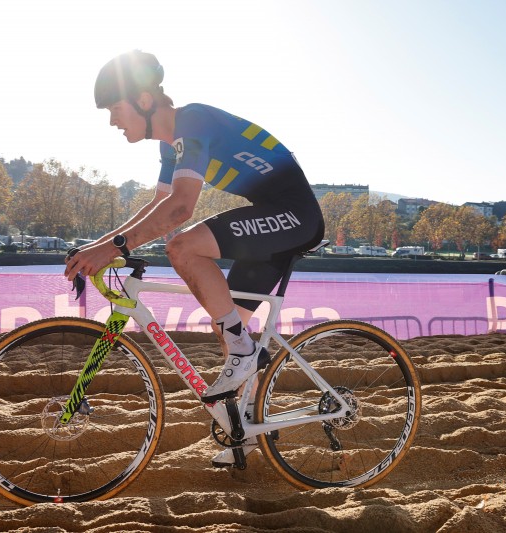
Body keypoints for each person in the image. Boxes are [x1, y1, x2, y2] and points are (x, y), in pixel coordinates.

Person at [64, 50, 324, 466]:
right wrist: (101, 243)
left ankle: (245, 355)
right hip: (272, 220)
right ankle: (246, 432)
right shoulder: (172, 147)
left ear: (145, 101)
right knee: (230, 326)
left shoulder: (193, 121)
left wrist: (111, 249)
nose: (113, 121)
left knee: (183, 246)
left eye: (116, 109)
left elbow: (180, 211)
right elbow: (159, 205)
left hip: (295, 216)